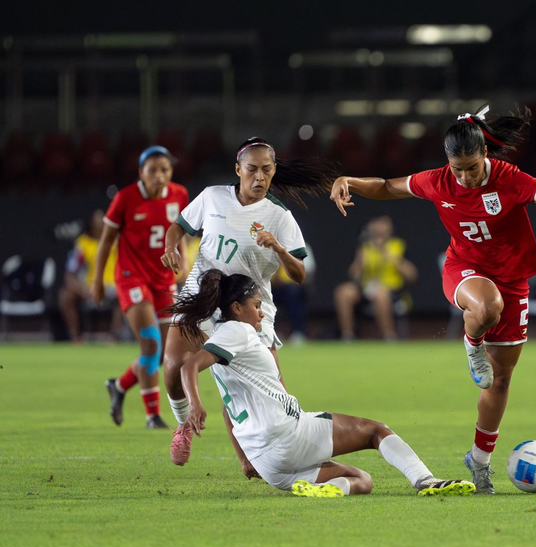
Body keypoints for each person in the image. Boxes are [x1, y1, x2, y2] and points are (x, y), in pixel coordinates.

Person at [329, 105, 536, 494]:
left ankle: (480, 462)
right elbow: (385, 186)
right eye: (457, 168)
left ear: (485, 156)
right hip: (464, 270)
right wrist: (348, 179)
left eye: (471, 168)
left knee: (499, 381)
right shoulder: (438, 181)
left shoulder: (510, 178)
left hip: (514, 280)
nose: (463, 177)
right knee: (485, 306)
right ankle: (471, 343)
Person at [171, 270, 475, 497]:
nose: (261, 312)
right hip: (287, 436)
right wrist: (195, 406)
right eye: (256, 304)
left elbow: (228, 408)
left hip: (267, 464)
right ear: (237, 308)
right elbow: (189, 366)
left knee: (363, 481)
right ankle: (427, 481)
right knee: (376, 430)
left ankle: (335, 489)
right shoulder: (237, 331)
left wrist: (243, 459)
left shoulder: (224, 344)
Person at [160, 137, 337, 467]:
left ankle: (282, 453)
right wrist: (171, 248)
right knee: (171, 366)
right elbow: (178, 228)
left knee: (269, 391)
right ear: (238, 169)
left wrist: (280, 250)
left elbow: (299, 274)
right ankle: (183, 426)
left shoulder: (279, 216)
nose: (259, 177)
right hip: (202, 297)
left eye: (267, 171)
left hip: (247, 310)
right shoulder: (213, 197)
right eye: (252, 170)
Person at [92, 146, 189, 429]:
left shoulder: (179, 194)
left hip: (163, 280)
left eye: (165, 170)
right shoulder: (125, 198)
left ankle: (119, 386)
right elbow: (106, 242)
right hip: (131, 277)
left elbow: (181, 228)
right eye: (152, 170)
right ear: (140, 173)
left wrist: (181, 258)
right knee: (149, 343)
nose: (159, 176)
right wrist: (98, 281)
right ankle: (152, 416)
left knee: (161, 354)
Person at [334, 216, 418, 340]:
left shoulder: (398, 245)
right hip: (366, 288)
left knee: (380, 293)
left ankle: (389, 336)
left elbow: (412, 275)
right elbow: (353, 275)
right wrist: (360, 262)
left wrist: (389, 256)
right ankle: (347, 336)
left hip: (392, 290)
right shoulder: (364, 247)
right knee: (343, 292)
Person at [58, 209, 123, 342]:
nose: (100, 227)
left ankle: (113, 337)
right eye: (96, 224)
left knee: (125, 294)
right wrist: (81, 289)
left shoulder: (116, 241)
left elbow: (128, 267)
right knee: (65, 296)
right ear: (91, 225)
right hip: (89, 286)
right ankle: (75, 337)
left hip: (112, 286)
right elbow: (70, 273)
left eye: (103, 224)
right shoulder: (83, 244)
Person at [271, 243, 315, 345]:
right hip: (272, 286)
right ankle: (268, 333)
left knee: (293, 292)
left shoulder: (301, 246)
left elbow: (307, 274)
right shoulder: (268, 246)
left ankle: (298, 333)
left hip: (292, 287)